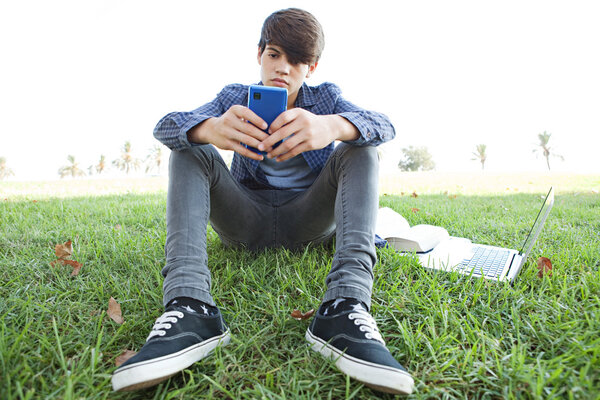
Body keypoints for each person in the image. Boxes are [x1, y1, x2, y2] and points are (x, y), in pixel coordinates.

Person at [111, 8, 414, 395]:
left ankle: (346, 307)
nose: (283, 68)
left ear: (312, 66)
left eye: (297, 60)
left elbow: (383, 124)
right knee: (189, 145)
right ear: (259, 55)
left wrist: (332, 126)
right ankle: (189, 308)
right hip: (246, 219)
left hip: (308, 218)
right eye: (274, 55)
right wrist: (211, 128)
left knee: (361, 147)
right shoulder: (234, 97)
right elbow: (167, 125)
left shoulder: (326, 99)